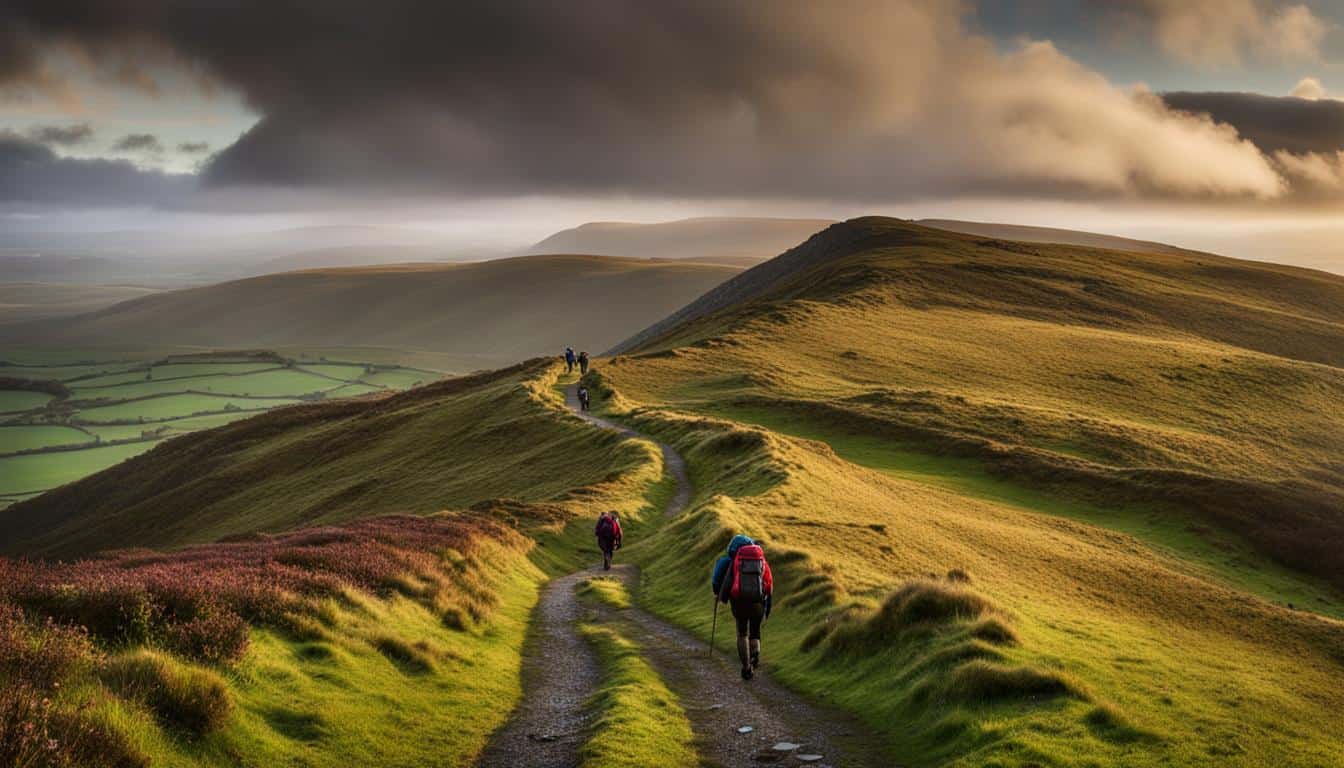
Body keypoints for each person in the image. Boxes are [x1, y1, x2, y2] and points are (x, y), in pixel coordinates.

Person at [711, 534, 773, 680]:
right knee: (755, 632)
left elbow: (716, 580)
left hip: (739, 602)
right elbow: (769, 585)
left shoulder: (728, 561)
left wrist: (718, 594)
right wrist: (767, 607)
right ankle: (755, 652)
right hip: (758, 602)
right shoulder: (761, 562)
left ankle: (746, 668)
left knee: (742, 633)